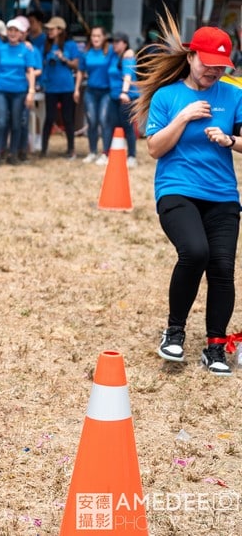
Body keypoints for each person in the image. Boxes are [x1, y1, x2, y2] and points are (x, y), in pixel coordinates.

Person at [132, 20, 242, 376]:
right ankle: (174, 330)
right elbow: (154, 149)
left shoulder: (233, 94)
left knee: (223, 268)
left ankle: (215, 347)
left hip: (223, 194)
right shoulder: (168, 96)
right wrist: (183, 117)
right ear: (192, 55)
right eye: (207, 61)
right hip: (177, 190)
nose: (213, 70)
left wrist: (229, 141)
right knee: (195, 252)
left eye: (220, 65)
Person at [0, 18, 40, 166]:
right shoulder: (0, 48)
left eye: (15, 31)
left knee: (17, 123)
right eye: (10, 30)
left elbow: (30, 71)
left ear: (21, 34)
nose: (12, 33)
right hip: (1, 89)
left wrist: (31, 91)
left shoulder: (27, 49)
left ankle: (13, 153)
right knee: (0, 121)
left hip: (19, 91)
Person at [39, 16, 82, 159]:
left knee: (68, 119)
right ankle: (43, 149)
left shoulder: (70, 45)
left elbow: (76, 65)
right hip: (50, 87)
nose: (49, 31)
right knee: (49, 118)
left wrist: (64, 58)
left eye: (52, 29)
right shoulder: (45, 45)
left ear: (60, 30)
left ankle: (71, 149)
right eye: (48, 29)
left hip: (66, 87)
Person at [79, 26, 115, 165]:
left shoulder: (110, 51)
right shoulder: (86, 52)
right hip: (90, 91)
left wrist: (129, 52)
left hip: (106, 91)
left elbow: (122, 55)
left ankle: (105, 153)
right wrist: (76, 89)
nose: (95, 39)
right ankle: (92, 151)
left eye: (98, 36)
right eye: (93, 36)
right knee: (92, 121)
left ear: (104, 37)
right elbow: (81, 72)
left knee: (103, 120)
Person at [108, 32, 139, 167]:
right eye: (113, 41)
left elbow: (128, 76)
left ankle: (132, 156)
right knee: (114, 125)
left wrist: (124, 92)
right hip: (114, 96)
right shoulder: (114, 55)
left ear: (125, 43)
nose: (114, 44)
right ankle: (115, 153)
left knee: (128, 126)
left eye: (118, 41)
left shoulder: (128, 57)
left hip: (126, 97)